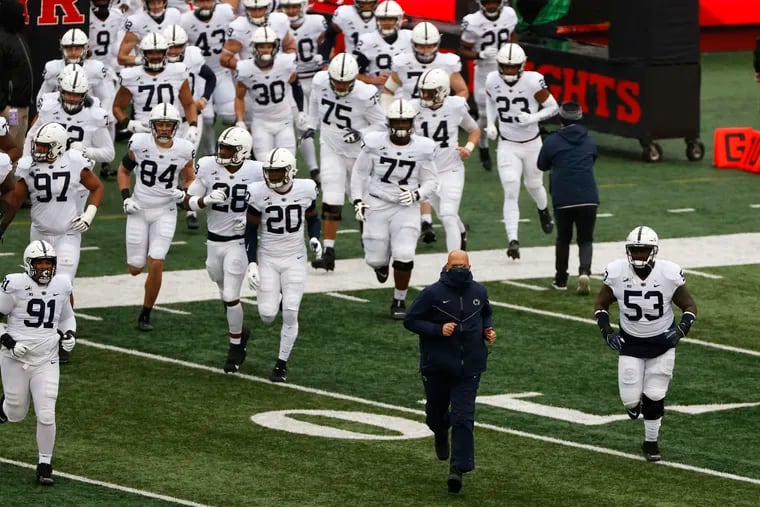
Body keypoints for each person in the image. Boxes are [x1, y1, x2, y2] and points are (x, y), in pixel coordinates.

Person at [594, 225, 697, 462]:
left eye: (643, 250)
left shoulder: (669, 273)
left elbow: (689, 306)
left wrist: (681, 330)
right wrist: (606, 331)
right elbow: (601, 304)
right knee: (630, 400)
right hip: (630, 342)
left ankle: (651, 443)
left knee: (655, 393)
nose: (639, 255)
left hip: (661, 342)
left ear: (654, 250)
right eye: (635, 250)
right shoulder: (617, 271)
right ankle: (634, 407)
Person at [403, 249, 496, 494]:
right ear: (446, 266)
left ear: (469, 267)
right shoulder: (432, 293)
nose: (458, 269)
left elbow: (486, 313)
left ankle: (458, 470)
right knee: (436, 414)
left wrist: (488, 330)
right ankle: (439, 430)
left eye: (462, 266)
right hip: (437, 366)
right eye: (454, 265)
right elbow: (410, 320)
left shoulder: (479, 291)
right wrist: (438, 329)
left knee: (463, 418)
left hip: (470, 367)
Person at [10, 122, 104, 361]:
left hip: (67, 233)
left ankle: (65, 335)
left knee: (62, 281)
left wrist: (89, 215)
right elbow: (15, 200)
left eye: (44, 146)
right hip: (39, 233)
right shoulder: (29, 166)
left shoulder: (73, 162)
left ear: (59, 147)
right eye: (38, 146)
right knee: (40, 281)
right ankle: (48, 329)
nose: (39, 151)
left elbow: (97, 187)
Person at [350, 99, 438, 319]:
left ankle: (399, 299)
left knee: (404, 254)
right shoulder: (373, 143)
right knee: (375, 260)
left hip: (406, 206)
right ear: (389, 123)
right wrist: (358, 200)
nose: (401, 127)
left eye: (405, 122)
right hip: (377, 203)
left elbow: (431, 181)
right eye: (397, 122)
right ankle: (381, 264)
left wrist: (417, 194)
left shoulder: (423, 147)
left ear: (412, 123)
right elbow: (359, 173)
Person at [0, 240, 77, 485]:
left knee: (46, 413)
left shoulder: (62, 284)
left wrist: (70, 335)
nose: (44, 268)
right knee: (16, 413)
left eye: (48, 263)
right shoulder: (14, 284)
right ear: (28, 264)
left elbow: (67, 317)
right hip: (15, 357)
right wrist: (9, 341)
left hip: (47, 358)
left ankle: (45, 464)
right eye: (39, 263)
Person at [186, 126, 262, 373]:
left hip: (238, 242)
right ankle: (241, 331)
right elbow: (188, 199)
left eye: (229, 149)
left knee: (230, 295)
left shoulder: (257, 171)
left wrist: (251, 218)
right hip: (213, 241)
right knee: (222, 289)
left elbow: (269, 203)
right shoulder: (208, 166)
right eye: (222, 147)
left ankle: (235, 346)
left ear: (243, 152)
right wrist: (204, 200)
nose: (223, 152)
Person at [244, 148, 321, 382]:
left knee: (290, 312)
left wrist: (315, 237)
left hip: (295, 258)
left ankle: (281, 364)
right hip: (268, 257)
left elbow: (313, 218)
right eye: (269, 172)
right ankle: (275, 297)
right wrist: (252, 263)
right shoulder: (257, 193)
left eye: (277, 173)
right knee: (267, 315)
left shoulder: (305, 188)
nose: (272, 177)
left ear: (290, 171)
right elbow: (250, 230)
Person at [117, 103, 195, 331]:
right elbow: (123, 170)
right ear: (152, 126)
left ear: (175, 127)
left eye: (167, 125)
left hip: (165, 210)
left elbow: (190, 178)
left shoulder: (184, 149)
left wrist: (185, 192)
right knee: (135, 268)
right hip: (139, 209)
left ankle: (146, 313)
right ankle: (144, 299)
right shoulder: (139, 144)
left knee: (157, 261)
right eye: (159, 124)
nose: (163, 129)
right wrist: (126, 196)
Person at [306, 52, 386, 271]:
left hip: (358, 152)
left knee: (362, 199)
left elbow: (384, 124)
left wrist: (361, 132)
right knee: (331, 196)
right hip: (331, 145)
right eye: (337, 82)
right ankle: (329, 252)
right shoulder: (320, 81)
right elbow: (314, 103)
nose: (340, 87)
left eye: (345, 83)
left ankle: (371, 247)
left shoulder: (365, 93)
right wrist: (312, 125)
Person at [484, 42, 558, 260]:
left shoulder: (533, 81)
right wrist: (491, 123)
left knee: (534, 185)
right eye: (505, 66)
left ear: (522, 65)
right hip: (507, 143)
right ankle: (513, 240)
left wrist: (533, 118)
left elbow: (553, 107)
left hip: (532, 143)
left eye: (513, 66)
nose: (509, 71)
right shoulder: (491, 80)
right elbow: (490, 101)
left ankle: (543, 210)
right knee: (511, 188)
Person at [414, 68, 480, 252]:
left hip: (451, 168)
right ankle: (461, 233)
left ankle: (455, 264)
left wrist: (468, 148)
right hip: (426, 173)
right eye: (423, 91)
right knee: (444, 216)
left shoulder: (455, 106)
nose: (425, 95)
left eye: (430, 92)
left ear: (442, 91)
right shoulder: (413, 108)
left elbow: (474, 130)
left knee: (448, 214)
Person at [537, 101, 599, 294]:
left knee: (563, 239)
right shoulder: (589, 140)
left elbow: (541, 165)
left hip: (563, 197)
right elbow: (592, 158)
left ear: (560, 119)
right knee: (585, 239)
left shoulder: (553, 141)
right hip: (589, 195)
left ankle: (561, 279)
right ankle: (585, 272)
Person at [459, 0, 518, 171]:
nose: (491, 5)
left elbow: (513, 35)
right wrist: (479, 54)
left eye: (494, 1)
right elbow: (463, 50)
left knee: (507, 111)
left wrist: (513, 50)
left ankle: (508, 152)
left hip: (507, 69)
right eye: (487, 1)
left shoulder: (509, 14)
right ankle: (483, 146)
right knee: (485, 115)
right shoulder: (472, 21)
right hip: (484, 72)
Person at [234, 26, 302, 161]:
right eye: (262, 46)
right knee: (263, 165)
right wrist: (240, 120)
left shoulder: (285, 63)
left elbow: (295, 85)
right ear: (255, 48)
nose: (265, 50)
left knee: (287, 162)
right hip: (261, 123)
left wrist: (300, 111)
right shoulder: (245, 69)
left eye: (268, 46)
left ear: (274, 47)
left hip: (284, 121)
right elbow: (239, 97)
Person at [179, 0, 235, 151]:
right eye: (200, 1)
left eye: (208, 0)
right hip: (201, 74)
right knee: (208, 119)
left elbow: (237, 29)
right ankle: (211, 152)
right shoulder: (185, 19)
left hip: (222, 70)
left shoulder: (225, 12)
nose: (204, 4)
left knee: (230, 114)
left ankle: (231, 141)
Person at [280, 0, 326, 181]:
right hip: (293, 82)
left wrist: (325, 60)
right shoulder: (277, 24)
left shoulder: (316, 22)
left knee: (325, 124)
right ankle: (315, 169)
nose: (291, 11)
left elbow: (325, 42)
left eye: (295, 7)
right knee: (302, 126)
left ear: (303, 6)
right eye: (288, 7)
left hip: (316, 78)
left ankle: (330, 164)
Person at [353, 0, 411, 93]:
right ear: (377, 20)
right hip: (376, 93)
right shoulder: (367, 40)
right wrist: (372, 80)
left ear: (398, 20)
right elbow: (352, 73)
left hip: (404, 94)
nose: (386, 23)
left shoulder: (409, 38)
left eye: (390, 19)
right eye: (383, 19)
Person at [0, 0, 34, 152]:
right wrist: (3, 107)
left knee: (19, 150)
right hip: (11, 108)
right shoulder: (1, 40)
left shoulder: (18, 36)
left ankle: (15, 177)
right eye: (21, 14)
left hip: (23, 105)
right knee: (8, 151)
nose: (24, 17)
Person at [117, 0, 183, 67]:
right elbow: (122, 58)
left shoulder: (174, 15)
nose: (156, 6)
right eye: (152, 3)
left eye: (159, 2)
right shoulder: (136, 21)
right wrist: (146, 60)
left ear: (164, 2)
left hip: (170, 69)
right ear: (146, 3)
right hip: (147, 71)